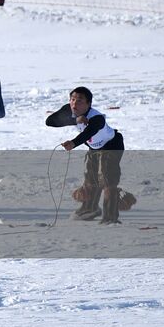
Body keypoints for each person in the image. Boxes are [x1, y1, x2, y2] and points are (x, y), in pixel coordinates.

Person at [46, 87, 132, 224]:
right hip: (94, 149)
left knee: (107, 179)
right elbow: (50, 121)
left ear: (88, 104)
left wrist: (73, 143)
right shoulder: (69, 110)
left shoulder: (97, 118)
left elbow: (88, 133)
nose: (74, 104)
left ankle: (110, 217)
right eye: (72, 99)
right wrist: (76, 120)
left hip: (112, 145)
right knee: (90, 179)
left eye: (79, 101)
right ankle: (90, 208)